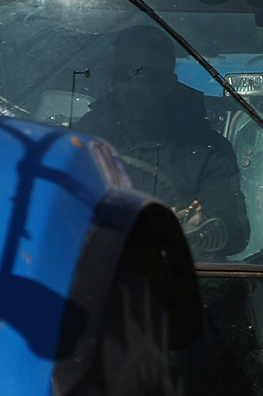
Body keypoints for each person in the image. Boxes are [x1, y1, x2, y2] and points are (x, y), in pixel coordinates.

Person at [80, 26, 249, 259]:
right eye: (124, 74)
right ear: (112, 79)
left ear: (169, 83)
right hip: (92, 273)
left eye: (147, 76)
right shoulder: (81, 141)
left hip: (175, 277)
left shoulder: (206, 149)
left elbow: (235, 230)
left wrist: (200, 228)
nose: (134, 87)